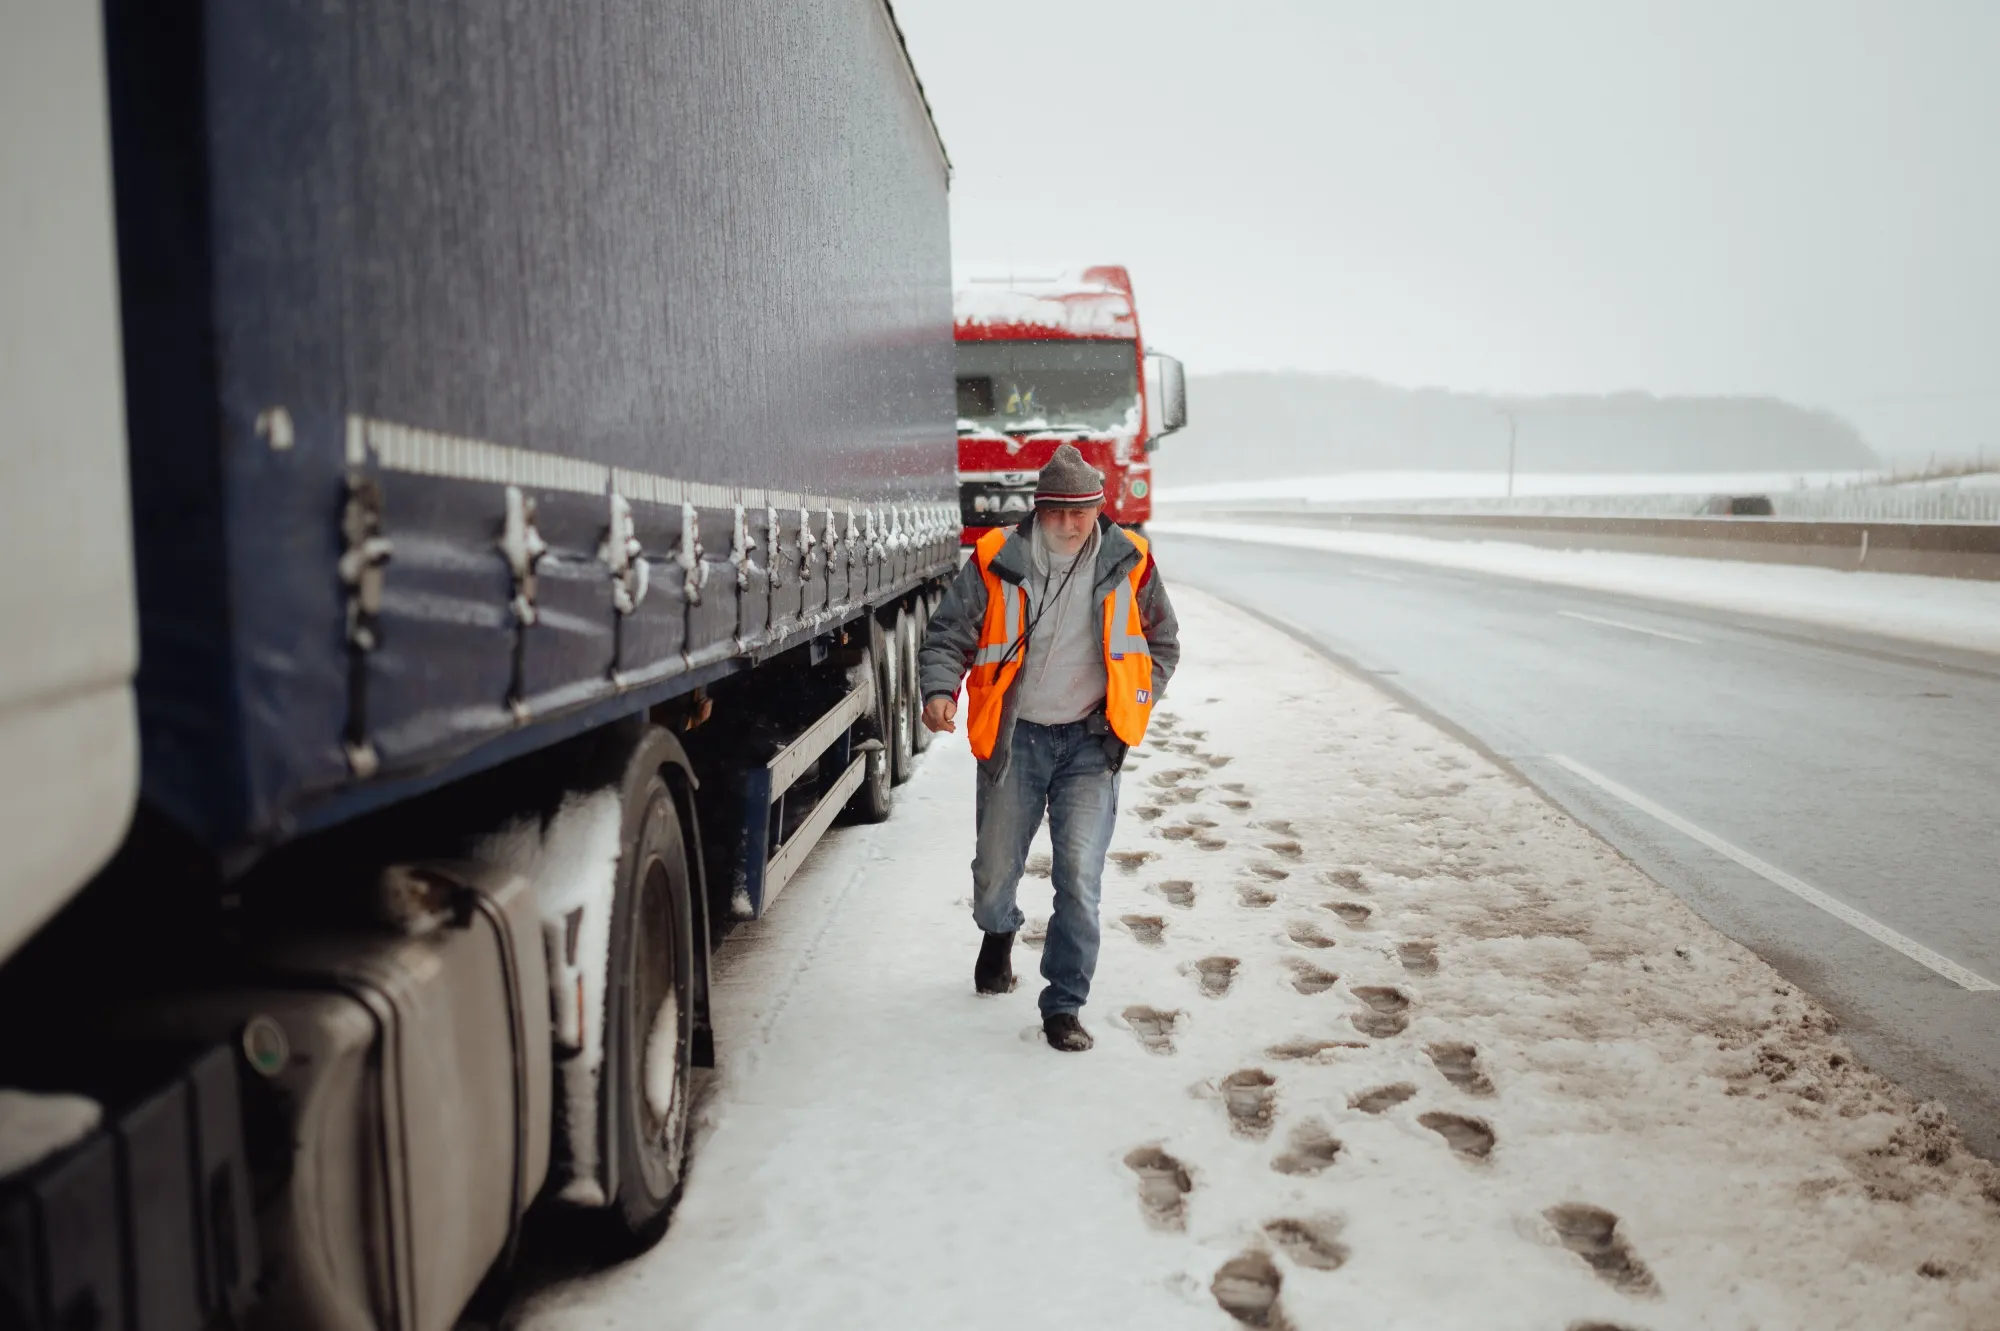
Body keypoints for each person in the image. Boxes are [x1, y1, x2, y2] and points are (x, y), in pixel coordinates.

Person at [919, 444, 1181, 1052]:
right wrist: (940, 689)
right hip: (1018, 739)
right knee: (993, 876)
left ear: (1098, 509)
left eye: (1081, 511)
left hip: (1092, 741)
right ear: (1038, 511)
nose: (1068, 523)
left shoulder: (1131, 562)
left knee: (1079, 878)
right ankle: (999, 931)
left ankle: (1063, 1005)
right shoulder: (994, 560)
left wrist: (1136, 700)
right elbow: (947, 634)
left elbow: (1162, 643)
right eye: (1057, 511)